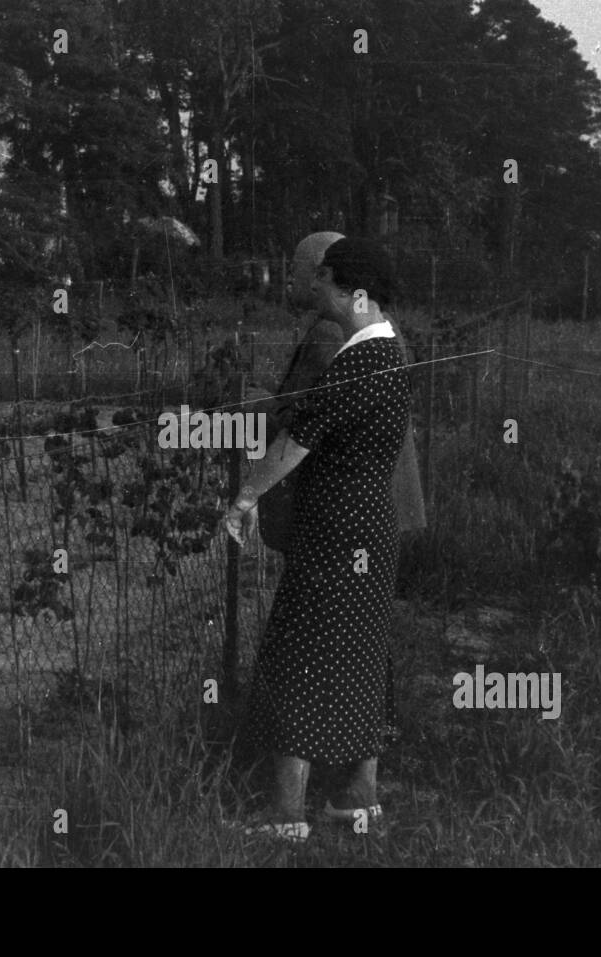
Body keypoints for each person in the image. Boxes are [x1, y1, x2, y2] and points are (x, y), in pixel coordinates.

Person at [225, 238, 410, 842]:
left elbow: (294, 444)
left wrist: (245, 498)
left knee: (301, 658)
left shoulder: (356, 363)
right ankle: (358, 798)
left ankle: (284, 813)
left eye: (322, 283)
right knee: (360, 655)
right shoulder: (391, 350)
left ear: (345, 287)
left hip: (335, 525)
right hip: (373, 526)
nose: (316, 295)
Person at [256, 231, 425, 553]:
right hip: (378, 510)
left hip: (339, 517)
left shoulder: (331, 332)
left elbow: (300, 425)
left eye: (297, 268)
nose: (289, 278)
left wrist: (252, 404)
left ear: (323, 272)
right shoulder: (378, 322)